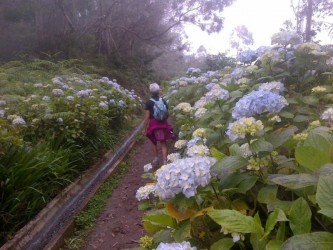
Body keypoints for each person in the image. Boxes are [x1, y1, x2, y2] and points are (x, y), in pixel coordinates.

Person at [143, 83, 175, 167]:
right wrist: (164, 119)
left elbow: (147, 117)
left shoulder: (149, 102)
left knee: (154, 141)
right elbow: (168, 113)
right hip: (163, 123)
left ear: (150, 92)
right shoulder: (163, 100)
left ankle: (156, 159)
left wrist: (144, 128)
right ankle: (165, 162)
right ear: (158, 91)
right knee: (163, 142)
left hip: (153, 124)